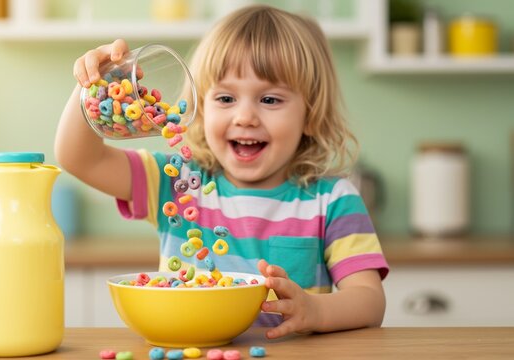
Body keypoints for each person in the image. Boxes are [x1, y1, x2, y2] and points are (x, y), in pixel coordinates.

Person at [55, 5, 389, 339]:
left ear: (311, 114)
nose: (245, 117)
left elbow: (370, 300)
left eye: (270, 100)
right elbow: (78, 158)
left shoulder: (332, 200)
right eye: (226, 98)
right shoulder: (176, 181)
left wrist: (316, 311)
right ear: (199, 109)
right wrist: (94, 85)